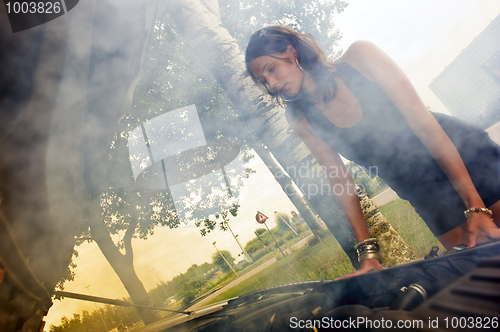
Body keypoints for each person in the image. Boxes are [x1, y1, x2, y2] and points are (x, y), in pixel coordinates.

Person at [245, 26, 500, 277]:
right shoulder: (300, 118)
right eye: (263, 81)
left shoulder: (361, 57)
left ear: (291, 51)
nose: (272, 83)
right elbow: (341, 181)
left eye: (272, 68)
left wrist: (475, 206)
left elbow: (424, 125)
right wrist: (367, 253)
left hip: (467, 160)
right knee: (482, 277)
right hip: (423, 193)